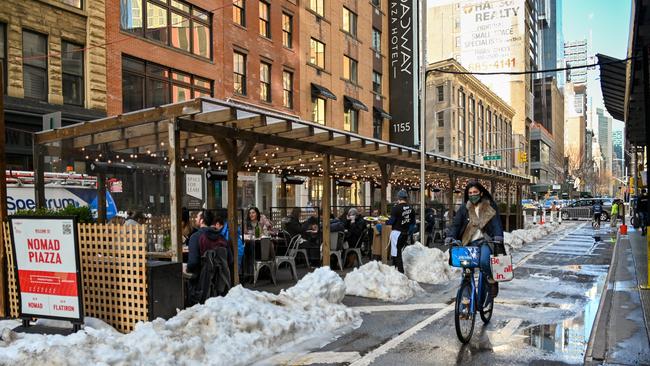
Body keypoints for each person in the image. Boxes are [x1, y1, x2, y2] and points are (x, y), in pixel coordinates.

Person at [446, 181, 504, 297]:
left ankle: (491, 279)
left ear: (481, 193)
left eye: (475, 192)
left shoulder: (490, 206)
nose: (473, 195)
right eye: (470, 193)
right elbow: (456, 225)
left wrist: (498, 236)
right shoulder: (464, 208)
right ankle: (466, 302)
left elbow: (497, 223)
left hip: (485, 242)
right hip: (468, 243)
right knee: (467, 271)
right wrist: (450, 236)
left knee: (483, 261)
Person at [186, 210, 228, 275]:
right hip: (220, 279)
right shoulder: (221, 237)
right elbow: (230, 259)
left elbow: (193, 263)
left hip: (201, 279)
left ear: (202, 221)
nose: (195, 219)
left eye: (197, 217)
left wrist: (187, 268)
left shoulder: (195, 237)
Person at [387, 189, 415, 273]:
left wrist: (385, 221)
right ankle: (396, 269)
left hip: (397, 233)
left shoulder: (396, 208)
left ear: (398, 198)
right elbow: (413, 223)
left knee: (397, 252)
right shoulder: (411, 208)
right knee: (398, 250)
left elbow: (391, 221)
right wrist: (409, 232)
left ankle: (400, 271)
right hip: (405, 233)